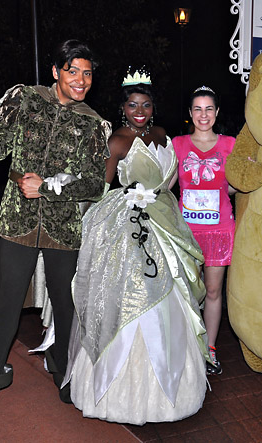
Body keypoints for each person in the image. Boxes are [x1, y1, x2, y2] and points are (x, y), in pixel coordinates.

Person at [0, 39, 110, 405]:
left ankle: (64, 368)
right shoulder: (26, 99)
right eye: (72, 71)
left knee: (64, 303)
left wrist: (49, 188)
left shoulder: (93, 124)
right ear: (56, 71)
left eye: (87, 73)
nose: (80, 80)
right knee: (8, 300)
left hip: (63, 227)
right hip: (17, 220)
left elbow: (95, 184)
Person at [62, 70, 208, 425]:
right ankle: (117, 392)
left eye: (145, 104)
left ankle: (172, 390)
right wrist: (65, 189)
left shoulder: (162, 135)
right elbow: (103, 185)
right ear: (123, 107)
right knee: (135, 295)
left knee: (172, 295)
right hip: (131, 226)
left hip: (166, 221)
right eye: (132, 105)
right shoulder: (118, 141)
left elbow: (169, 181)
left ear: (153, 107)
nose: (138, 111)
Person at [171, 86, 236, 375]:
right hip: (187, 232)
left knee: (212, 291)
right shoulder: (178, 144)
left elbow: (235, 185)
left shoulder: (230, 144)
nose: (203, 115)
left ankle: (209, 349)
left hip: (219, 231)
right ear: (190, 113)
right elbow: (167, 183)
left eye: (208, 108)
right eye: (197, 109)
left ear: (217, 112)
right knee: (186, 291)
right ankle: (186, 346)